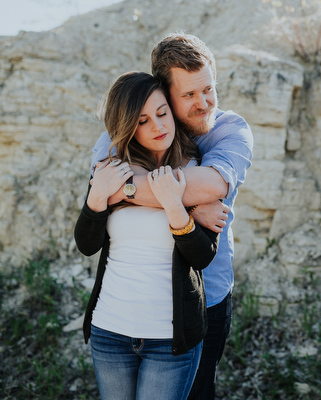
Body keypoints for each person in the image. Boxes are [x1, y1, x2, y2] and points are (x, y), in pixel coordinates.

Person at [90, 33, 254, 400]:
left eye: (208, 89)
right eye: (189, 95)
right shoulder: (129, 127)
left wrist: (128, 190)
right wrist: (189, 205)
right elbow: (98, 183)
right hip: (131, 309)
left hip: (206, 298)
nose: (204, 104)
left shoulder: (231, 129)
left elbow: (212, 184)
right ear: (162, 93)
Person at [75, 71, 220, 399]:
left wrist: (175, 207)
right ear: (127, 126)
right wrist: (97, 197)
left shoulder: (197, 171)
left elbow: (203, 256)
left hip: (169, 340)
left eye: (162, 113)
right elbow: (86, 245)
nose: (158, 126)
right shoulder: (112, 170)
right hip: (110, 331)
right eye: (142, 120)